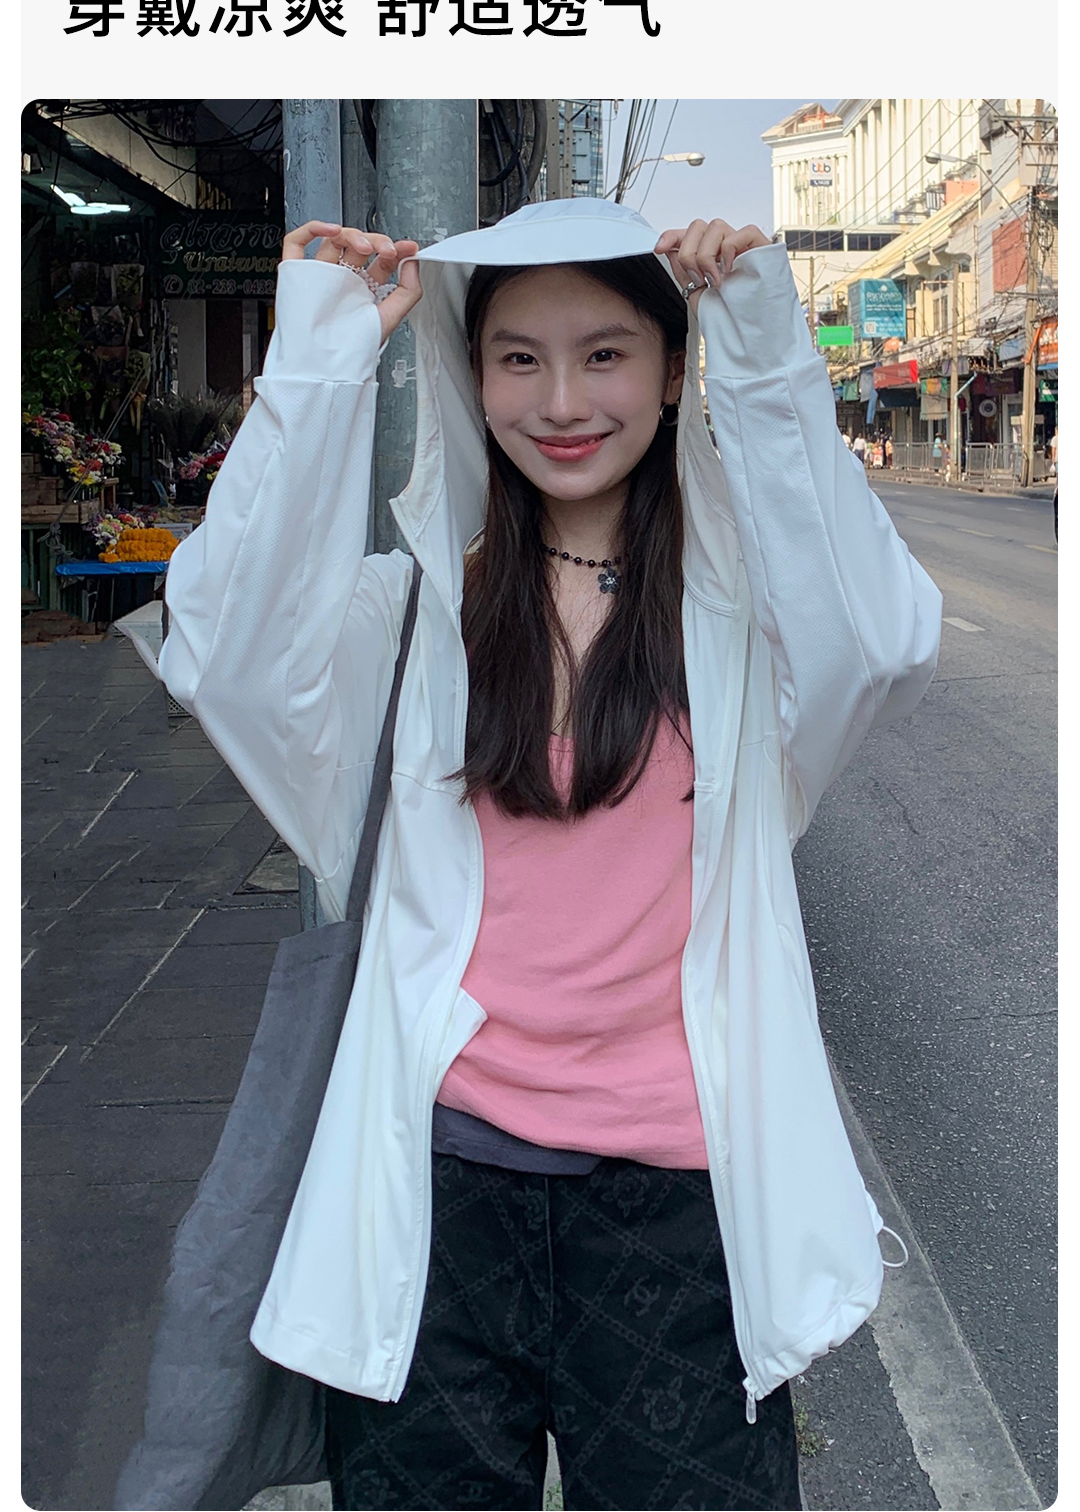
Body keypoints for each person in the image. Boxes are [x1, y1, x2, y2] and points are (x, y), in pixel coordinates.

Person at [154, 201, 941, 1511]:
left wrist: (762, 349)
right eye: (519, 358)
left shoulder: (743, 625)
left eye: (606, 353)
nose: (563, 400)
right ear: (471, 375)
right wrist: (319, 355)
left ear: (673, 368)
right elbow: (222, 650)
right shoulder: (419, 615)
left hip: (681, 1212)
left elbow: (886, 637)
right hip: (434, 1201)